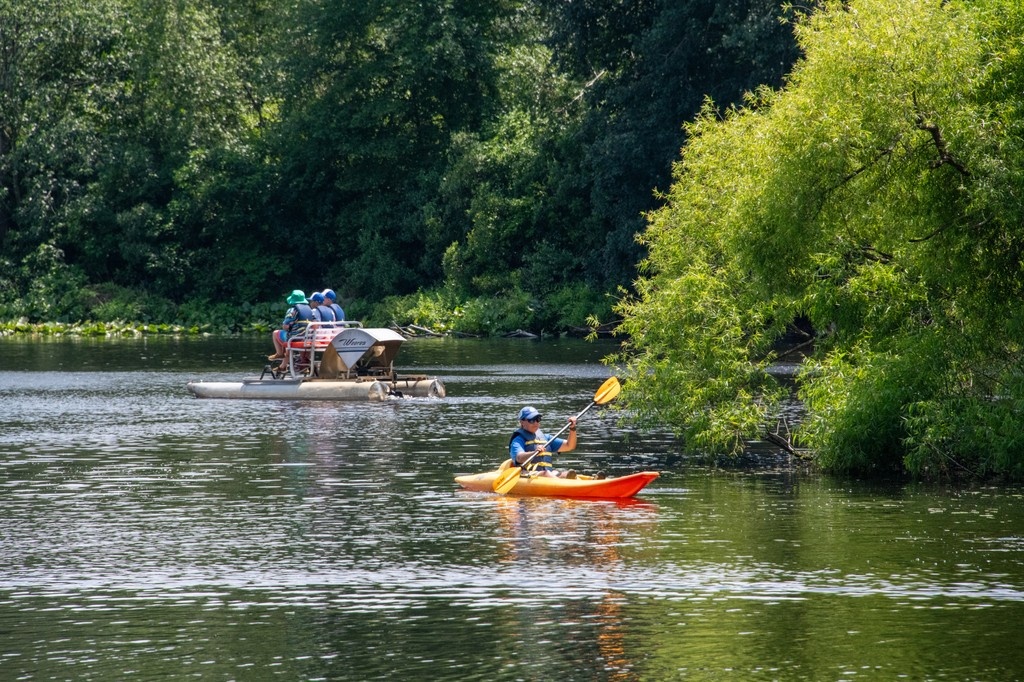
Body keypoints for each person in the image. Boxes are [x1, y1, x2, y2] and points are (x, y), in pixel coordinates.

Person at [509, 406, 578, 478]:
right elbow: (519, 458)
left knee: (565, 474)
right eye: (531, 420)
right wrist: (534, 453)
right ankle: (561, 483)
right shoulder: (518, 440)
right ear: (522, 422)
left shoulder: (546, 438)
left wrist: (572, 428)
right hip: (527, 474)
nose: (536, 422)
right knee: (546, 473)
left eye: (538, 419)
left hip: (547, 474)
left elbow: (570, 445)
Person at [269, 290, 314, 361]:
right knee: (299, 333)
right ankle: (303, 361)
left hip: (295, 338)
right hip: (308, 337)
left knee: (275, 333)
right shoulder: (310, 310)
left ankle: (279, 353)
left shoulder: (292, 310)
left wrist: (289, 326)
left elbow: (285, 327)